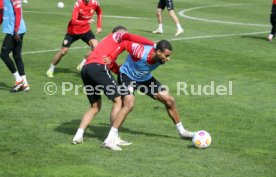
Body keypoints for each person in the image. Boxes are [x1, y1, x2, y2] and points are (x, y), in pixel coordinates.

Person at [72, 26, 155, 150]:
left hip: (86, 69)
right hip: (97, 67)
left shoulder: (107, 45)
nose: (125, 37)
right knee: (118, 100)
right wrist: (152, 44)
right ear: (119, 32)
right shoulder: (116, 36)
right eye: (124, 34)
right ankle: (112, 138)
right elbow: (129, 37)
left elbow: (110, 64)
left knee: (95, 107)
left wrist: (120, 70)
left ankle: (78, 135)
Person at [102, 40, 194, 151]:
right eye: (166, 56)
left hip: (145, 78)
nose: (168, 59)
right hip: (127, 77)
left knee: (169, 100)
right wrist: (112, 57)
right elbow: (124, 43)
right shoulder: (140, 52)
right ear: (158, 52)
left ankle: (182, 132)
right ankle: (110, 139)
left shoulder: (159, 57)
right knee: (129, 104)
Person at [46, 0, 102, 78]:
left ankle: (82, 64)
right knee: (63, 51)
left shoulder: (94, 3)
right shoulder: (78, 4)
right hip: (73, 32)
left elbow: (99, 12)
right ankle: (51, 69)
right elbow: (74, 21)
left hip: (86, 31)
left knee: (96, 47)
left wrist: (99, 26)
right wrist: (86, 22)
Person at [0, 0, 29, 92]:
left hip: (15, 31)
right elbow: (1, 12)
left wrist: (16, 30)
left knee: (4, 54)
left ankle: (18, 80)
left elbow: (18, 13)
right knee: (17, 56)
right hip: (13, 30)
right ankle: (25, 83)